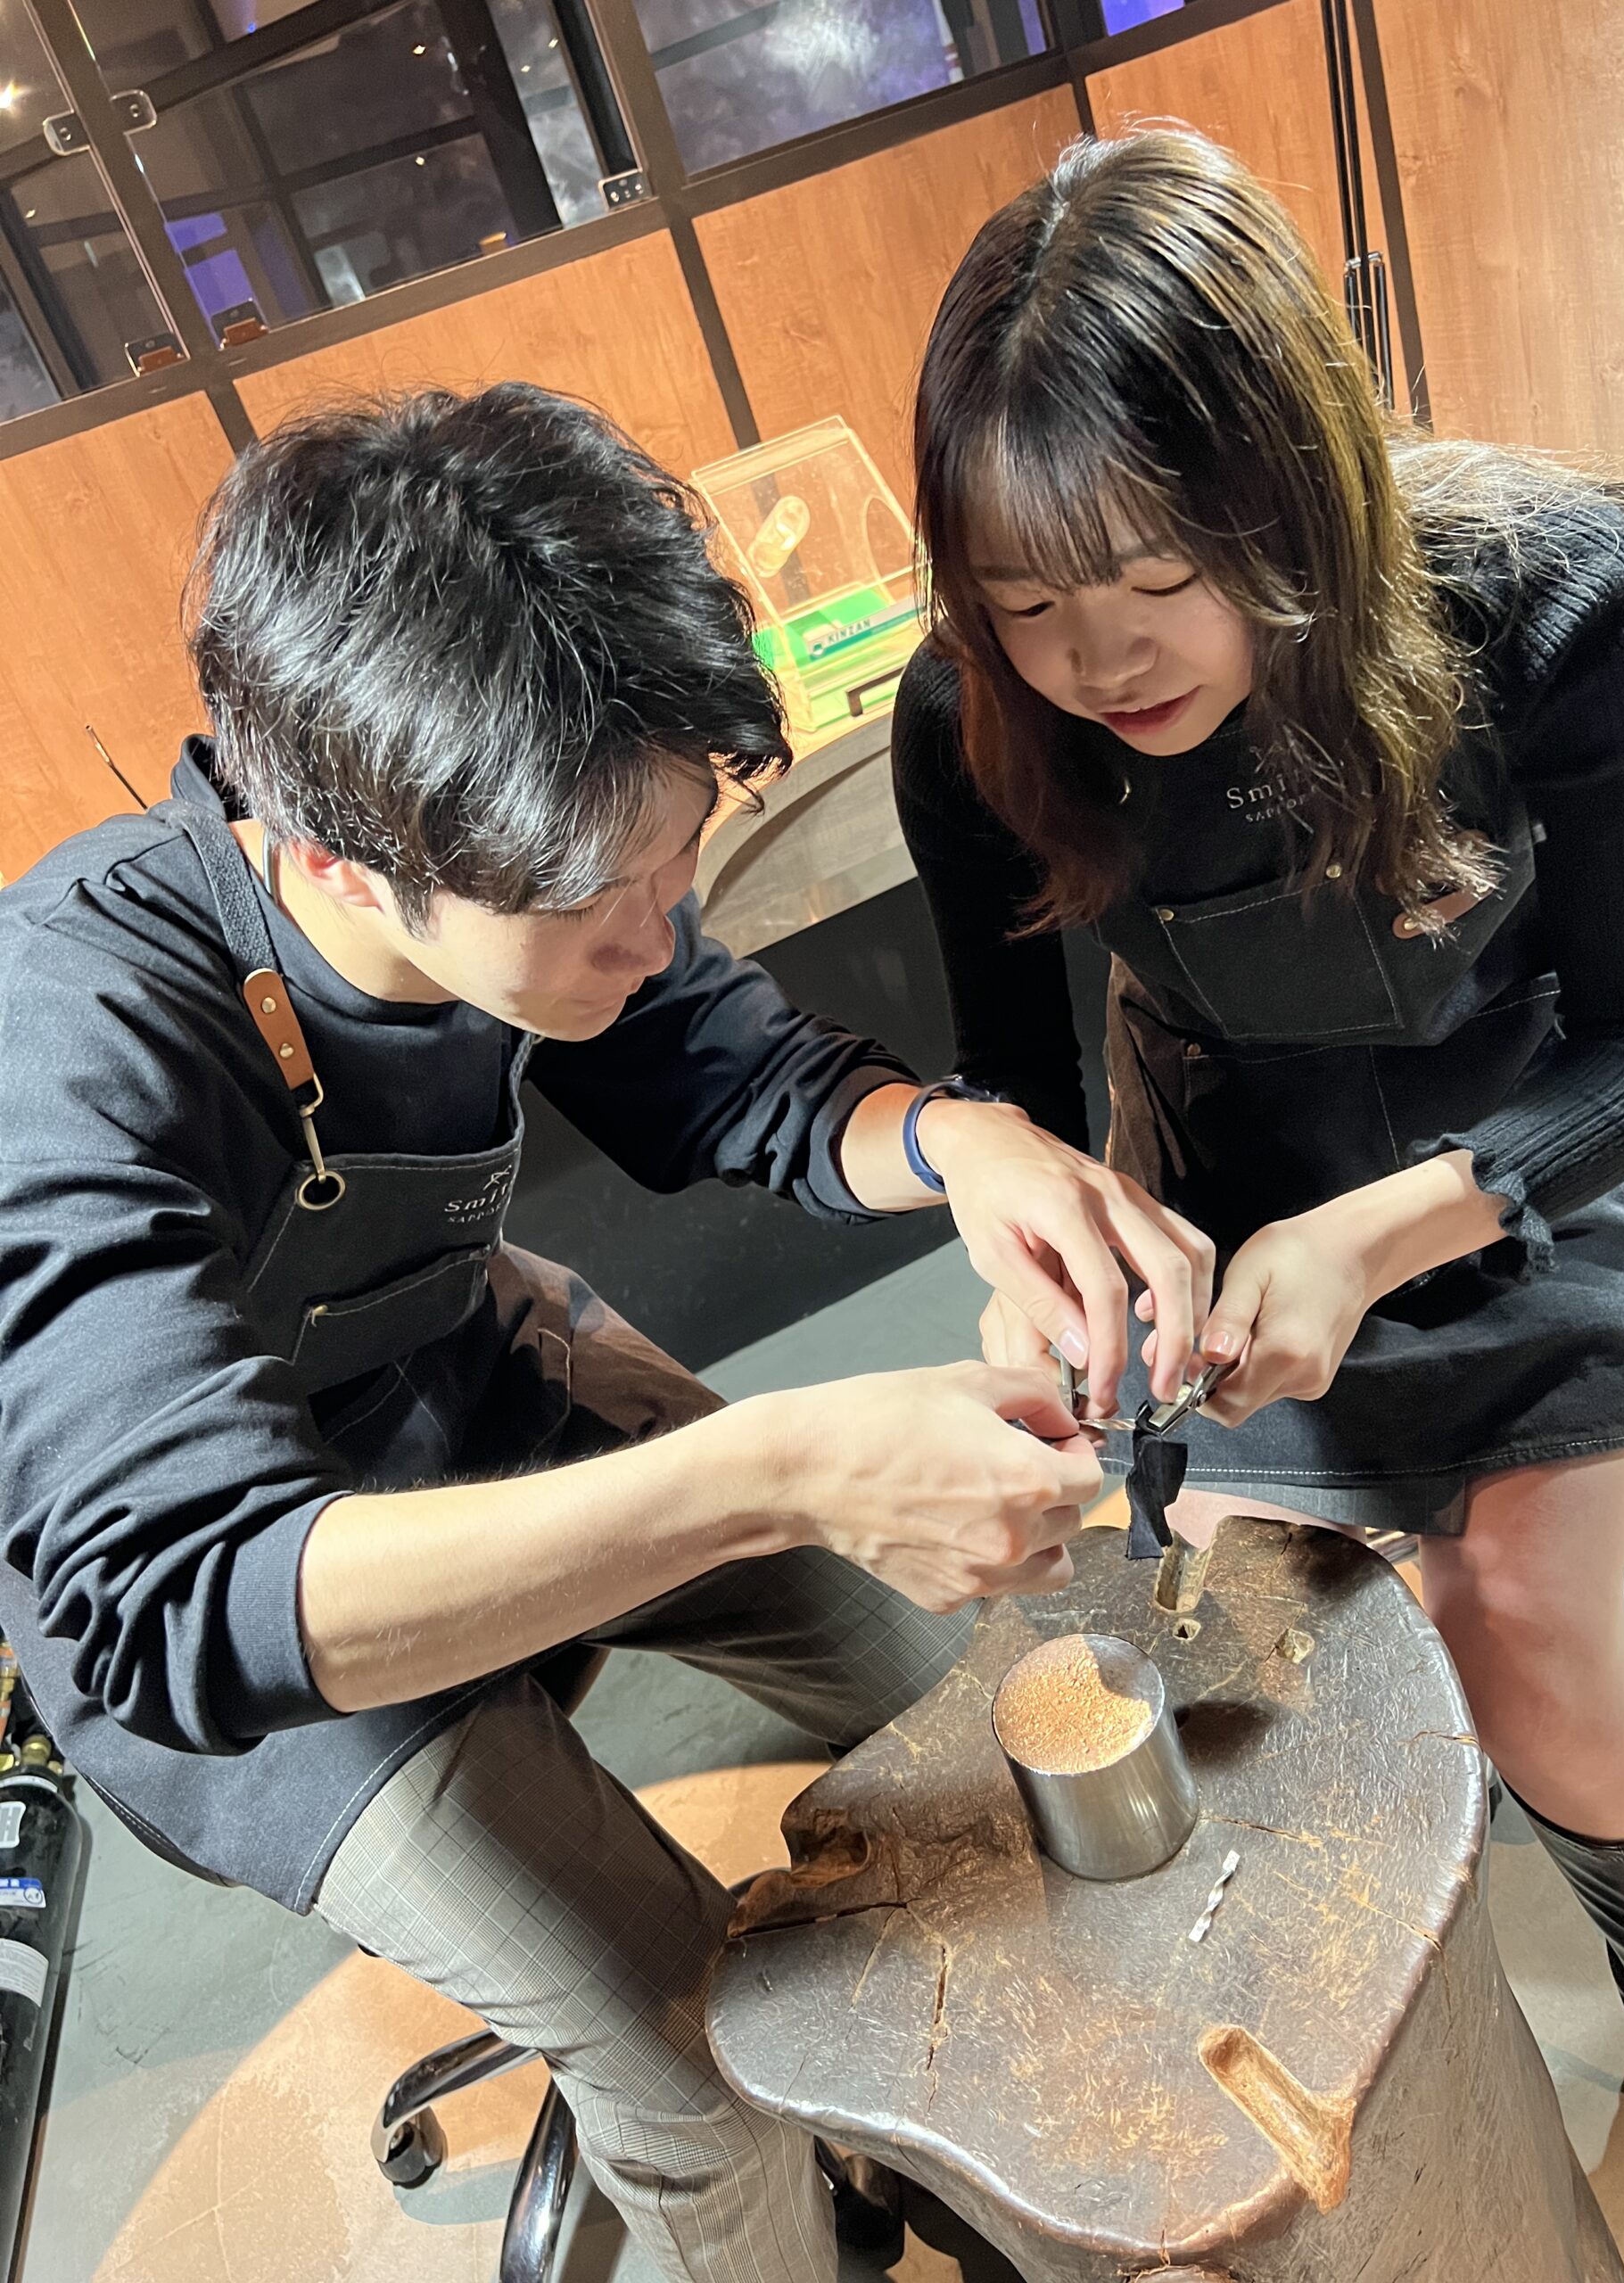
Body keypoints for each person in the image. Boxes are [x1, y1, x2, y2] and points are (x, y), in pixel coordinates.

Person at [0, 383, 1226, 2283]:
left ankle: (972, 2142)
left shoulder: (536, 862)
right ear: (339, 863)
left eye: (679, 866)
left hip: (468, 1371)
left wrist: (965, 1145)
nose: (662, 934)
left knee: (983, 1703)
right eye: (607, 905)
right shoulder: (69, 1036)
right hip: (276, 1631)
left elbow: (731, 1067)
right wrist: (777, 1466)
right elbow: (191, 1597)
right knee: (697, 2070)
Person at [894, 128, 1624, 2281]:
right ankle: (1427, 2148)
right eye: (1027, 601)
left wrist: (1384, 1236)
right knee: (1268, 1700)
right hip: (1237, 1200)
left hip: (1541, 1161)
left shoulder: (1540, 593)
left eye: (1154, 573)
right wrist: (1045, 1259)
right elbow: (1015, 1101)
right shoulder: (970, 716)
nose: (1097, 656)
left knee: (1521, 1644)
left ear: (1287, 486)